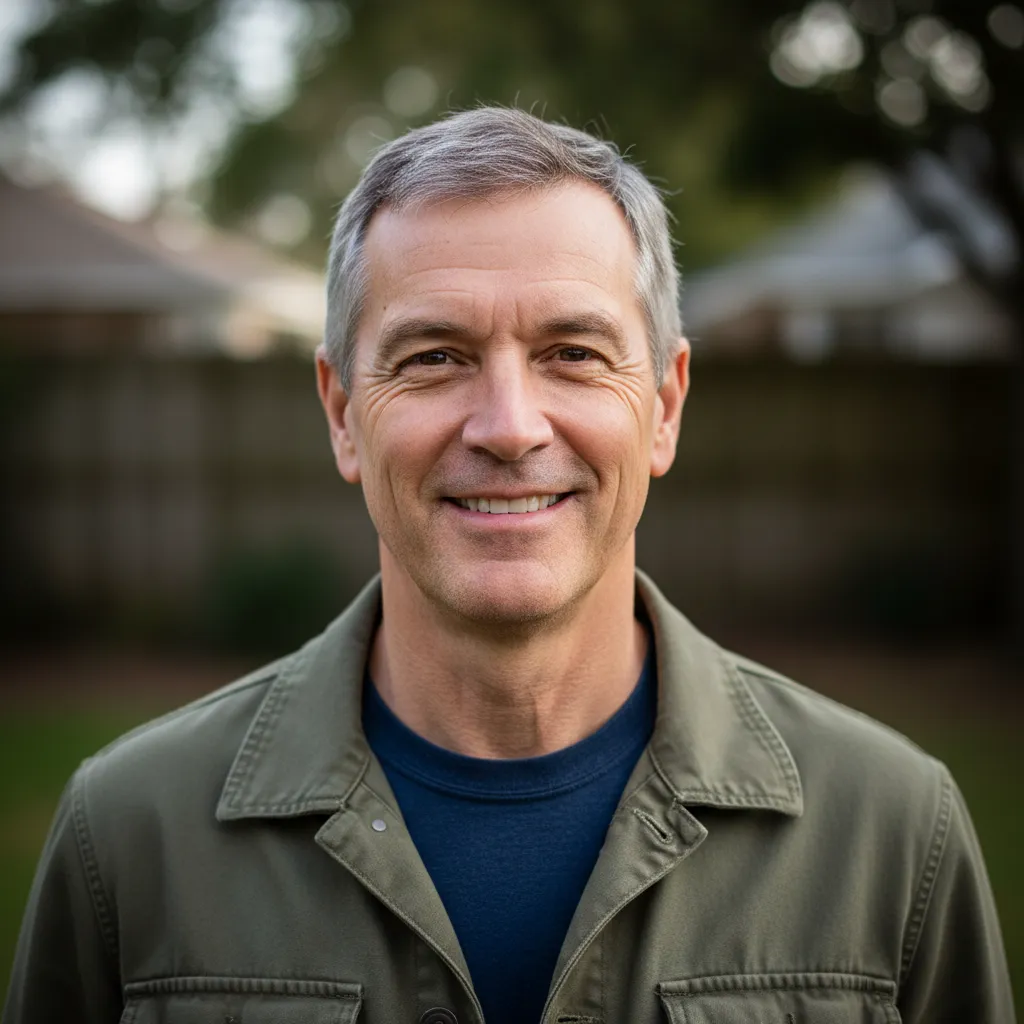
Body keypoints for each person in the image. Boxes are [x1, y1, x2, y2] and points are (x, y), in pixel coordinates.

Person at [4, 108, 1014, 1024]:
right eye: (433, 356)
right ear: (341, 412)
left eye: (573, 351)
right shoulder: (130, 840)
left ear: (663, 405)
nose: (507, 427)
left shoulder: (890, 835)